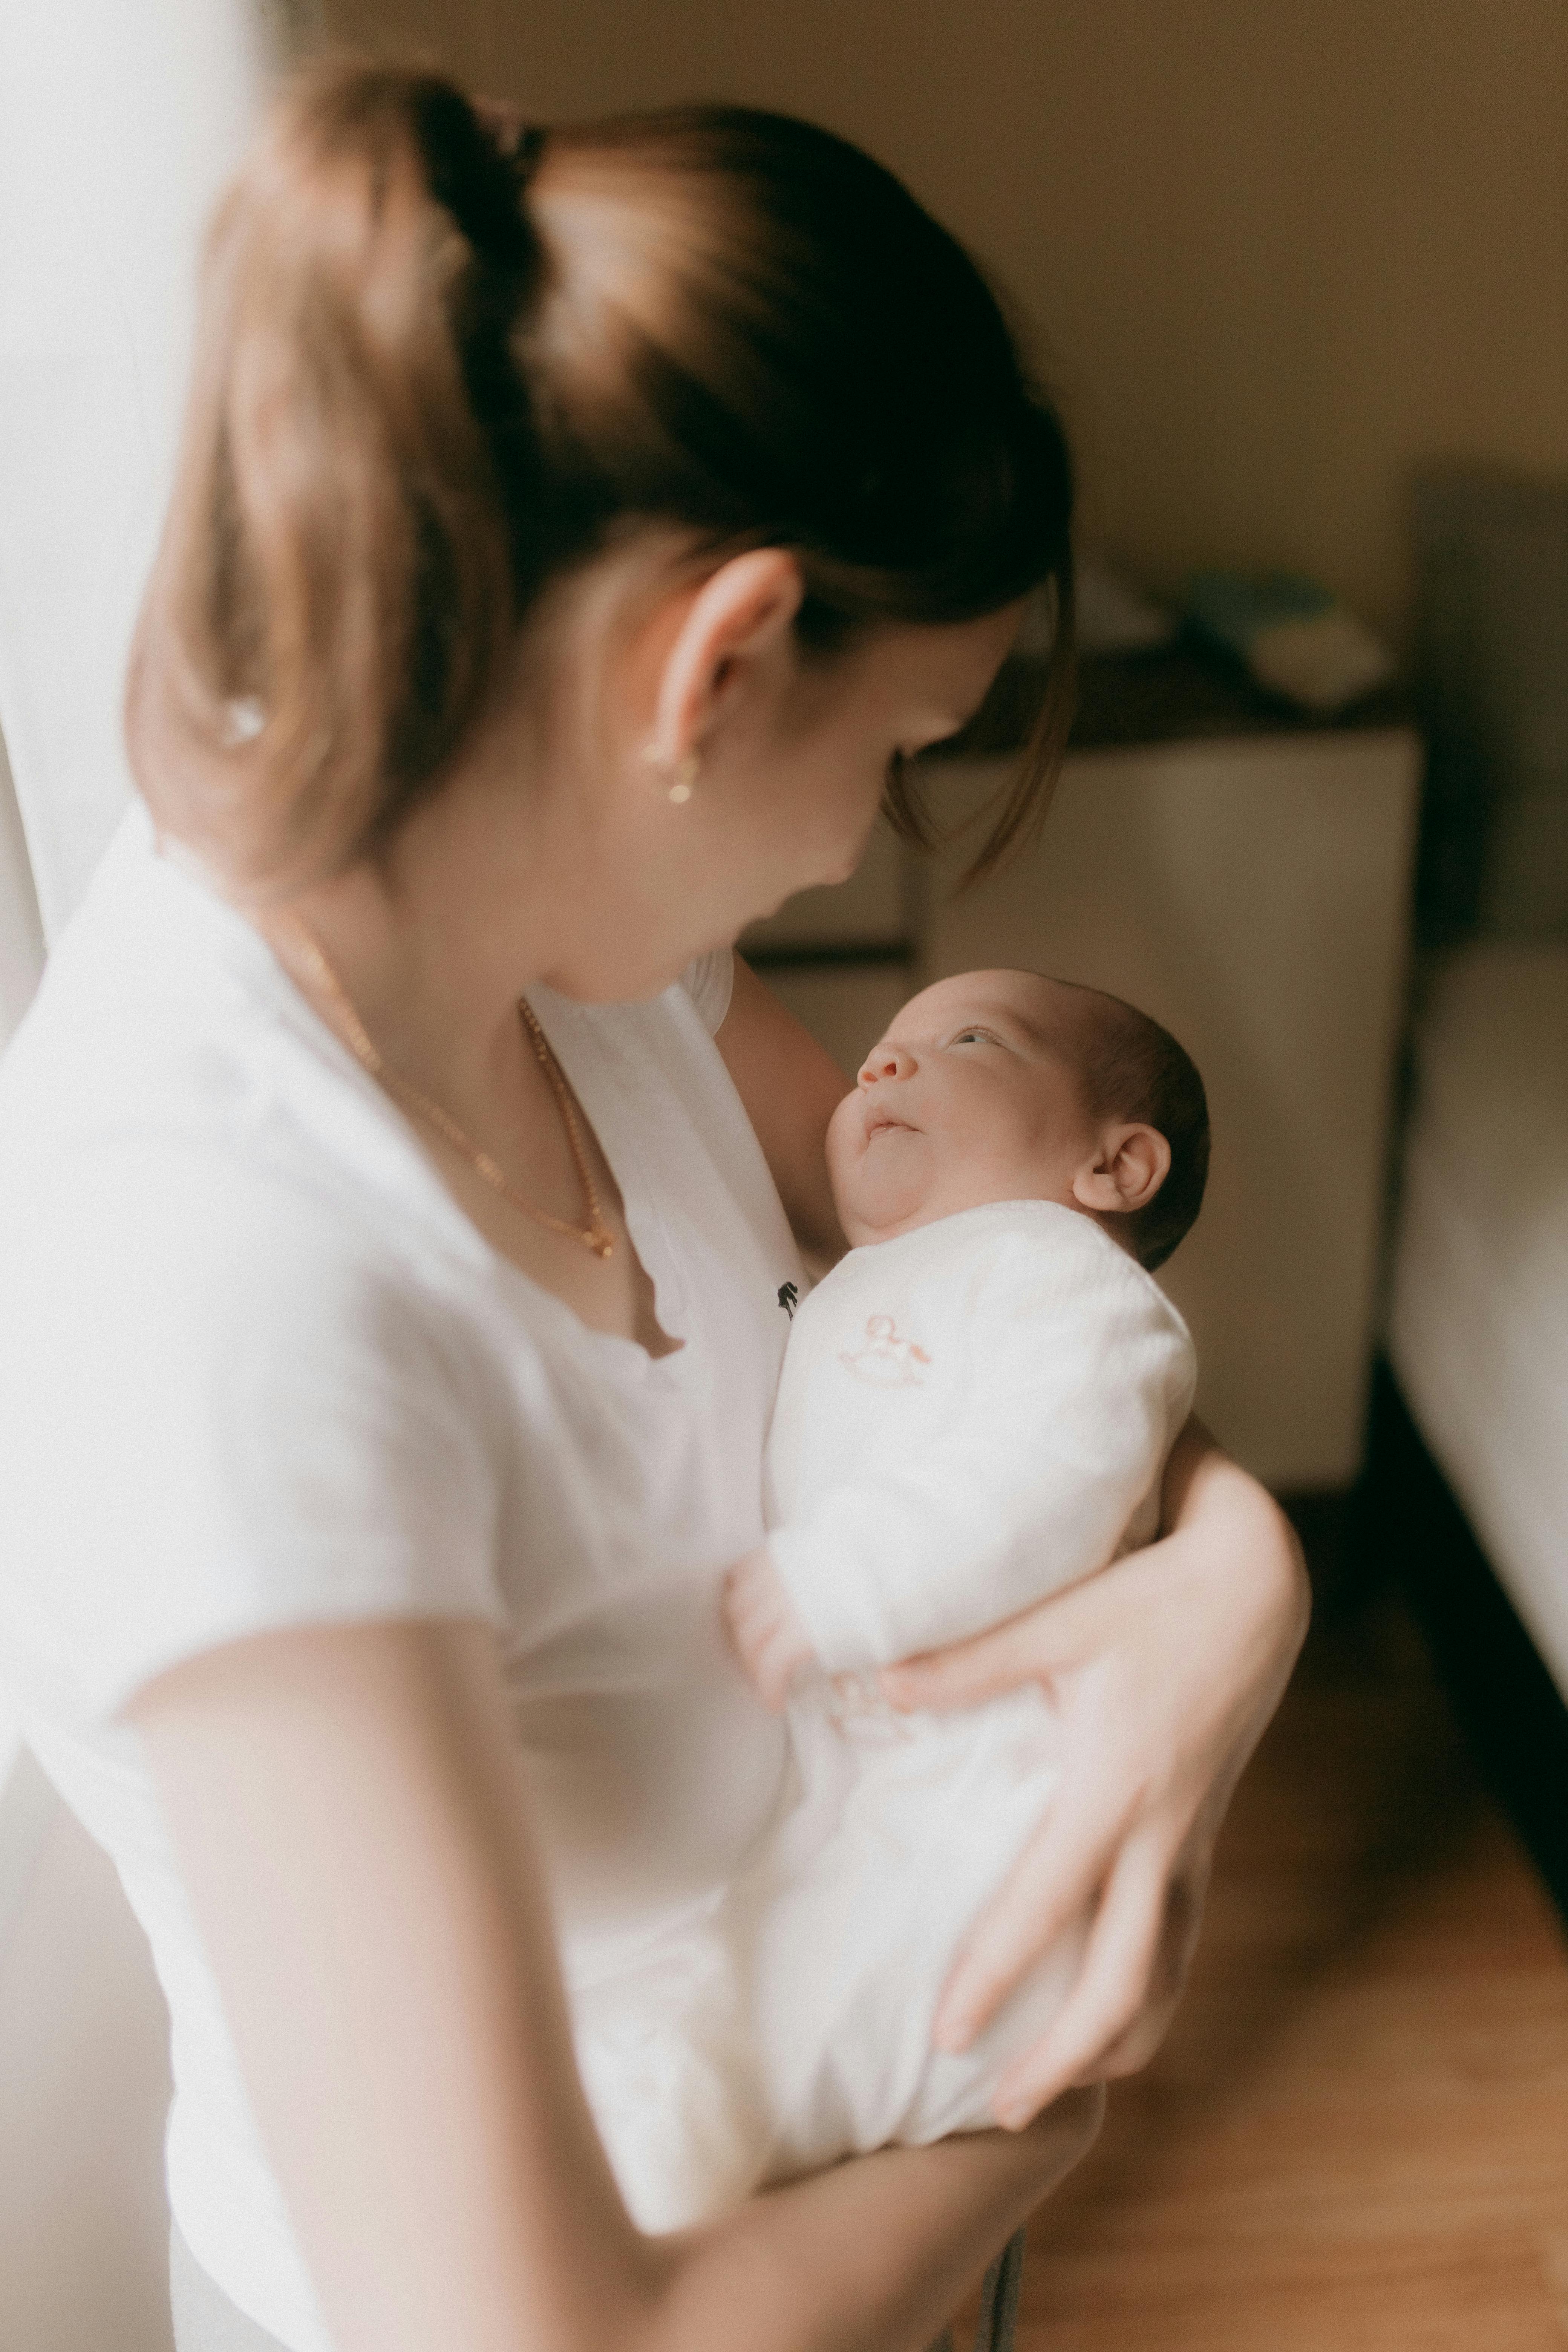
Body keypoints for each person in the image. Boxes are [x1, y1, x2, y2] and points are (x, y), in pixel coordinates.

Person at [0, 57, 1307, 2352]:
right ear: (718, 664)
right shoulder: (221, 1280)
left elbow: (1005, 1285)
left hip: (843, 2179)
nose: (858, 851)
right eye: (898, 751)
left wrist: (1237, 1590)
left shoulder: (596, 967)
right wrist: (1031, 2123)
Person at [580, 969, 1208, 2228]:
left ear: (1116, 1166)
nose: (882, 1065)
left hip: (985, 1788)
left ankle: (697, 2147)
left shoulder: (1068, 1283)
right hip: (851, 1765)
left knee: (863, 1976)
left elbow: (1062, 1465)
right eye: (882, 1046)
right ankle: (675, 2099)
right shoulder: (889, 1280)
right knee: (756, 1947)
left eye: (967, 1040)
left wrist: (839, 1581)